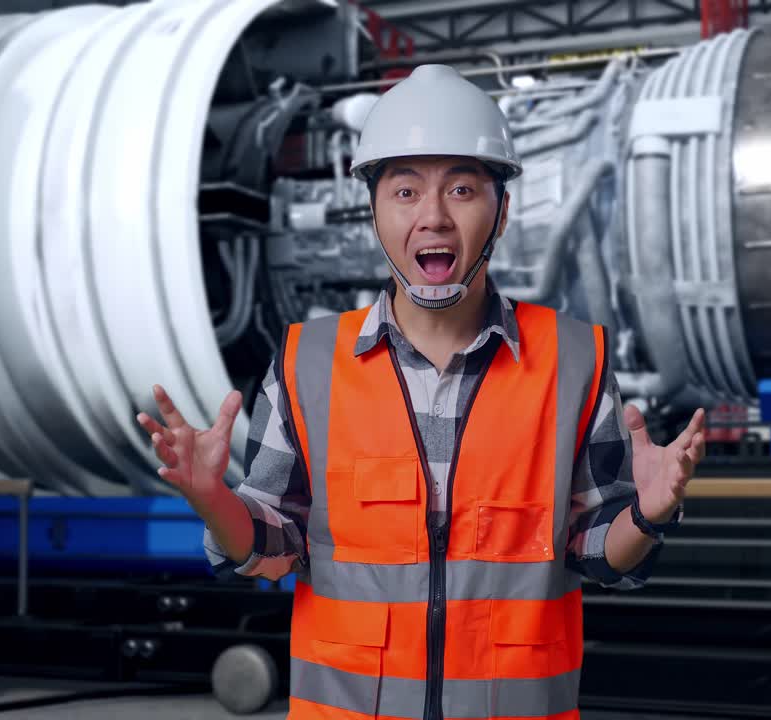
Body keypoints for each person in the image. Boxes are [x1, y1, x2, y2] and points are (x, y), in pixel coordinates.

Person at [136, 64, 706, 720]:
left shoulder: (574, 360)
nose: (433, 217)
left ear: (503, 207)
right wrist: (214, 502)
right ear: (372, 210)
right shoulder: (306, 364)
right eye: (405, 192)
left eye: (462, 189)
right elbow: (273, 551)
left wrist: (648, 514)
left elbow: (600, 554)